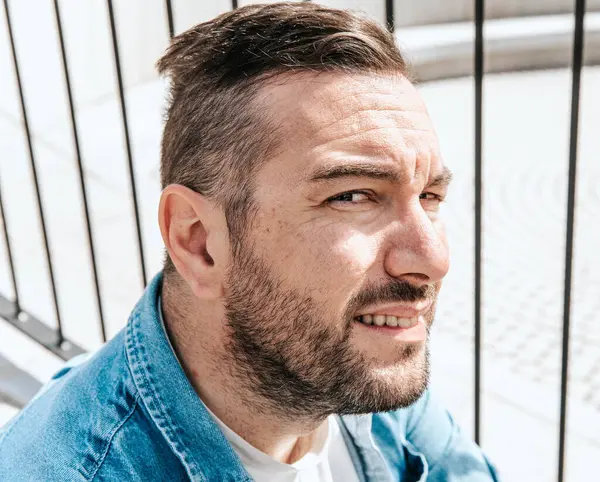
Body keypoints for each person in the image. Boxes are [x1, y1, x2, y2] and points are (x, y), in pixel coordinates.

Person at [0, 3, 499, 481]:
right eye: (352, 196)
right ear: (199, 242)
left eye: (430, 195)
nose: (433, 259)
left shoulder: (355, 366)